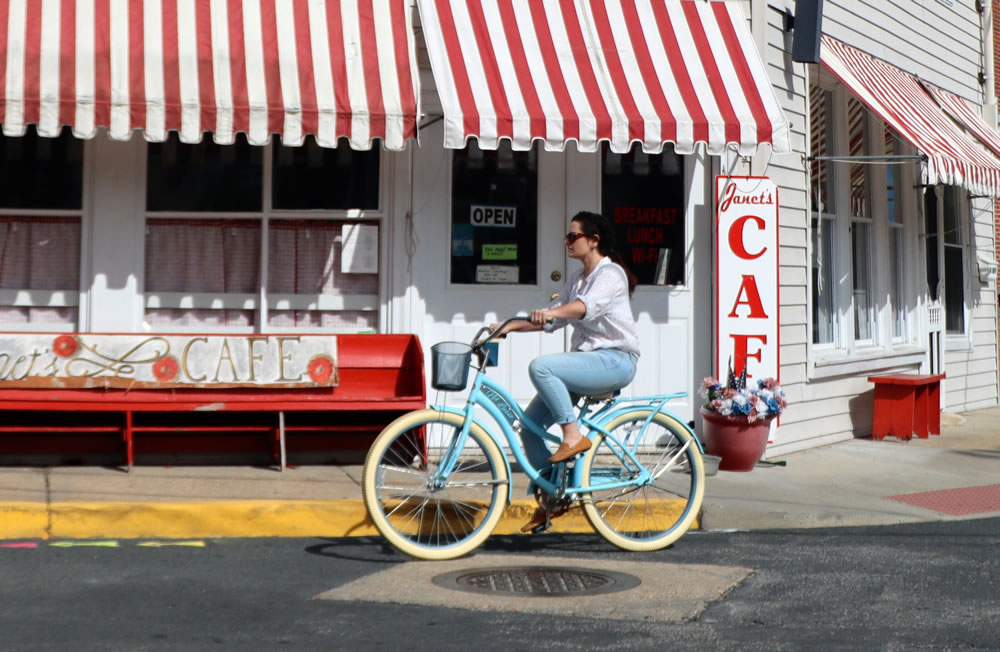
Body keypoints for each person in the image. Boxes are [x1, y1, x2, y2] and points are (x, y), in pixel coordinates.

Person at [492, 211, 640, 533]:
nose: (567, 242)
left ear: (593, 240)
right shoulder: (576, 279)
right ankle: (553, 496)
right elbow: (554, 320)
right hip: (588, 364)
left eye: (573, 236)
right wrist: (506, 327)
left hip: (615, 360)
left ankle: (572, 437)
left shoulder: (610, 274)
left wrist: (549, 311)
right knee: (529, 428)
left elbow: (583, 308)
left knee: (542, 367)